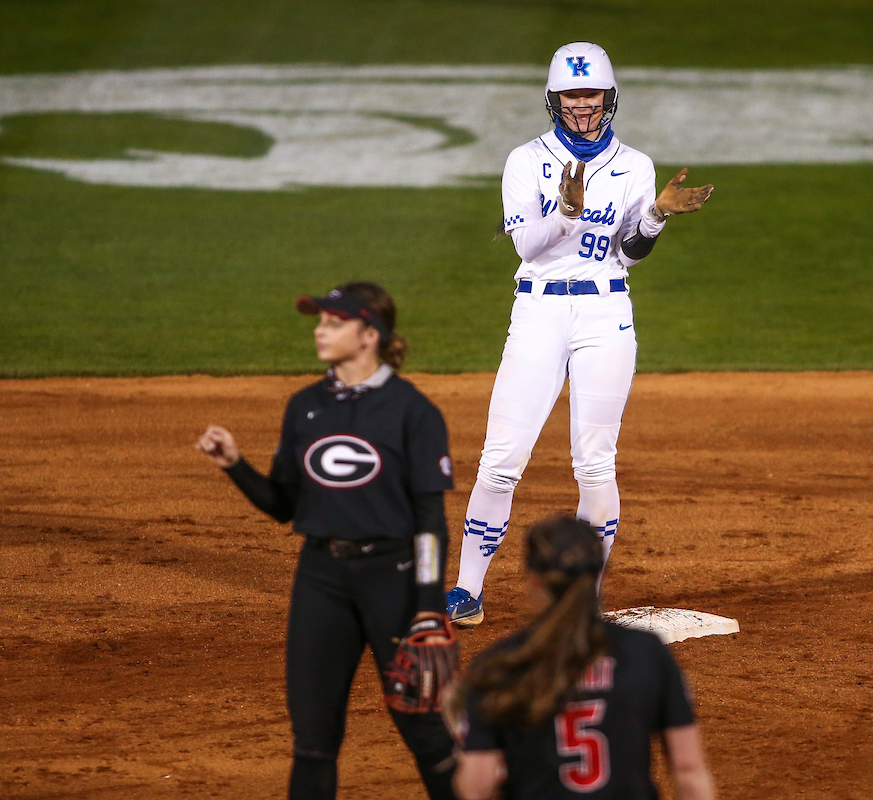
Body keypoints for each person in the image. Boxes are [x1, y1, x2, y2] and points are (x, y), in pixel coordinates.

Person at [447, 42, 714, 626]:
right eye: (572, 95)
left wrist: (656, 217)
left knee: (595, 464)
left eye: (590, 93)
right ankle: (467, 589)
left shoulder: (634, 165)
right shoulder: (525, 160)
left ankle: (583, 602)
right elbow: (526, 246)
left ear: (608, 97)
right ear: (555, 99)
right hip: (538, 313)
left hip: (605, 315)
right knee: (500, 461)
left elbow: (631, 253)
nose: (582, 106)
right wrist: (566, 212)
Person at [196, 282, 458, 800]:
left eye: (333, 322)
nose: (320, 330)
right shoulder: (305, 406)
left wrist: (429, 607)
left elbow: (431, 522)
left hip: (394, 580)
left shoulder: (414, 412)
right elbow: (285, 506)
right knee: (313, 741)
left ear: (369, 335)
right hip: (320, 579)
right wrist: (235, 466)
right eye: (320, 321)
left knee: (425, 731)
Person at [451, 516, 715, 800]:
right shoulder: (646, 653)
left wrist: (452, 727)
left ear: (532, 578)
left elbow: (476, 786)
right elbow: (688, 771)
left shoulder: (500, 666)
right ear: (600, 571)